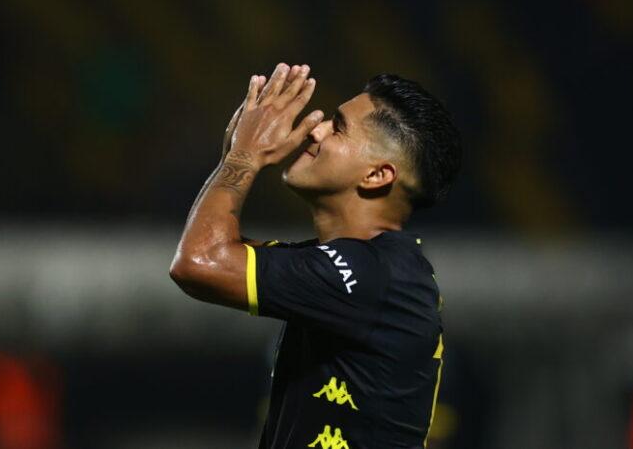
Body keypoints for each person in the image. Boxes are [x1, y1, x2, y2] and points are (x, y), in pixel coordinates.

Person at [170, 62, 462, 448]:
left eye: (337, 127)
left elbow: (198, 261)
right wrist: (236, 157)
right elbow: (215, 249)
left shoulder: (371, 276)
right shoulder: (368, 270)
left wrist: (243, 157)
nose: (316, 129)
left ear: (377, 175)